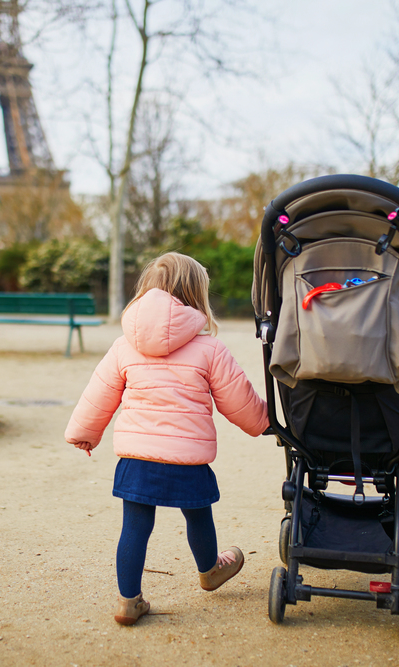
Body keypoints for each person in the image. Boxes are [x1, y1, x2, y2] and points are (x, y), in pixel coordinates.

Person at [64, 252, 269, 626]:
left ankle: (129, 601)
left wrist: (84, 433)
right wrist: (263, 422)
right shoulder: (209, 348)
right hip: (188, 458)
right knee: (199, 516)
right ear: (196, 295)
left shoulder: (124, 346)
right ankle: (210, 570)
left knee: (135, 527)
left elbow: (100, 393)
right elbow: (237, 400)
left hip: (137, 459)